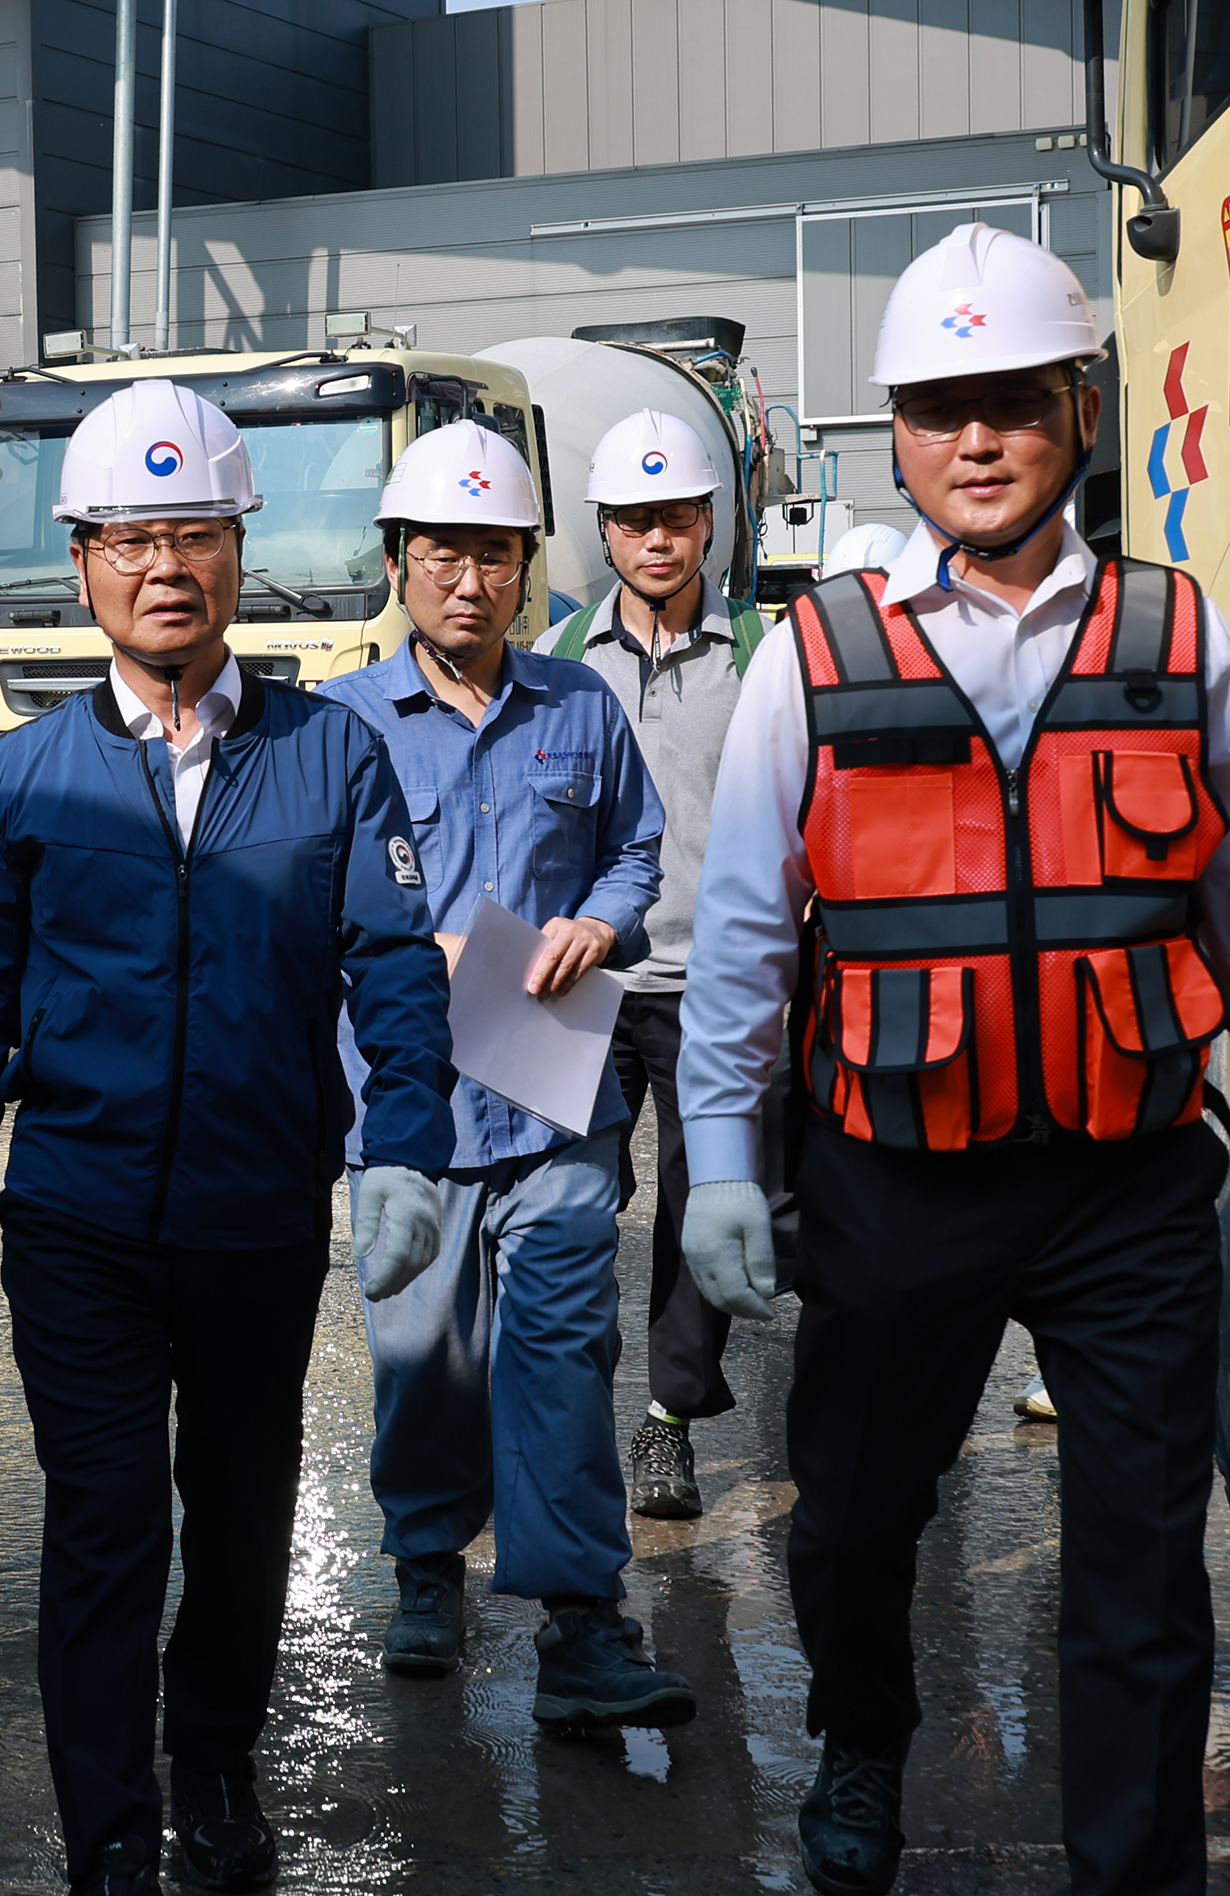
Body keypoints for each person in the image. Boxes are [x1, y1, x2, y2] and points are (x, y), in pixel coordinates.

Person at [676, 223, 1230, 1896]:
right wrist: (720, 1158)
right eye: (936, 409)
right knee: (849, 1520)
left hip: (1126, 1185)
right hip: (889, 1180)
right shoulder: (817, 657)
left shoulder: (1177, 636)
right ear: (897, 437)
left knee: (1143, 1572)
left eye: (1010, 402)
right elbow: (743, 939)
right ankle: (864, 1733)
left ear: (1080, 408)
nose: (976, 441)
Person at [0, 380, 454, 1896]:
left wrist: (401, 1141)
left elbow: (397, 966)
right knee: (102, 1528)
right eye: (134, 538)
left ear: (238, 554)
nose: (166, 568)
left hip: (258, 1218)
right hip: (78, 1225)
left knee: (240, 1513)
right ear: (83, 562)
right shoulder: (24, 777)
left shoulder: (330, 756)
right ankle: (109, 1832)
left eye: (196, 535)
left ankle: (213, 1765)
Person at [317, 421, 685, 1718]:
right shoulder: (340, 728)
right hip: (406, 1096)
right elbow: (306, 904)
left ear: (526, 566)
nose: (466, 581)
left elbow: (634, 850)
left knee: (561, 1352)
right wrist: (427, 942)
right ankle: (427, 1567)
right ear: (398, 565)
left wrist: (601, 919)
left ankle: (583, 1621)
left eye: (492, 555)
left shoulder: (579, 703)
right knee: (423, 1348)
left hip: (549, 1075)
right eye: (441, 555)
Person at [541, 408, 765, 1519]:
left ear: (707, 524)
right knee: (566, 1208)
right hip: (584, 986)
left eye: (674, 518)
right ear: (605, 533)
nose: (656, 542)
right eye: (633, 522)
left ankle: (668, 1421)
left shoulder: (766, 659)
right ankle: (564, 1416)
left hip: (713, 992)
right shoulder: (556, 660)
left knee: (697, 1213)